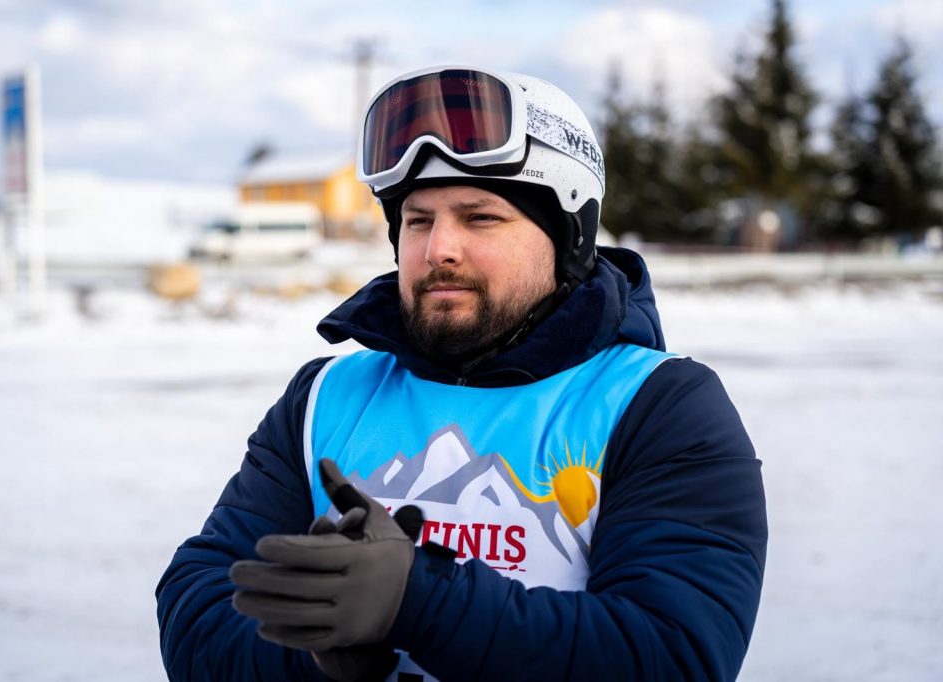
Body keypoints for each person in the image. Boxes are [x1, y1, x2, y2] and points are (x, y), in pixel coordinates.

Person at [156, 65, 767, 682]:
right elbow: (199, 608)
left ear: (570, 240)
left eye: (480, 217)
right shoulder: (324, 398)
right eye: (417, 220)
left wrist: (418, 602)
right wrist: (317, 652)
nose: (437, 249)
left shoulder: (657, 405)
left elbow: (673, 653)